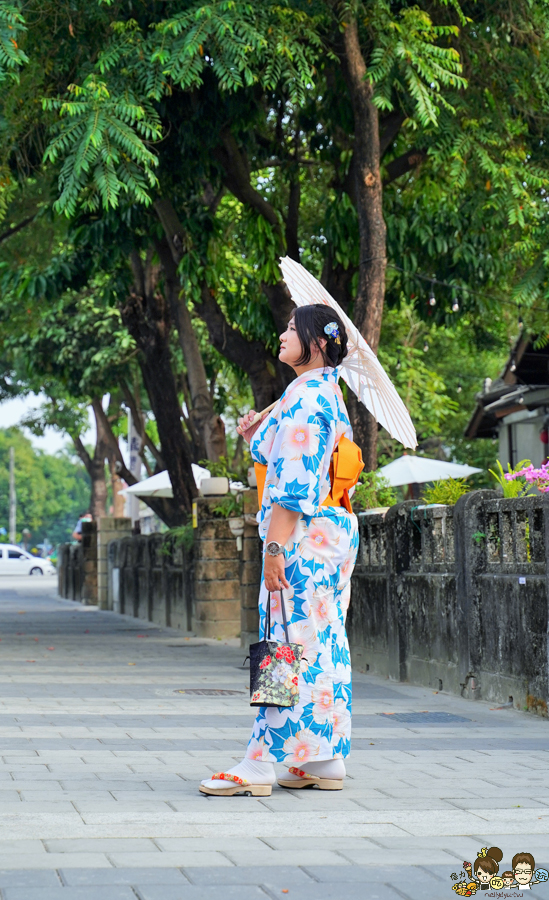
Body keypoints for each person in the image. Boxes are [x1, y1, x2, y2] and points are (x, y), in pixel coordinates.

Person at [199, 304, 362, 797]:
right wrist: (257, 432)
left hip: (300, 537)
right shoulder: (318, 393)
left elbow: (292, 483)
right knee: (321, 641)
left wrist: (274, 545)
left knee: (282, 643)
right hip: (327, 535)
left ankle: (260, 760)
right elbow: (289, 457)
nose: (282, 332)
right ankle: (325, 758)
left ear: (316, 344)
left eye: (294, 328)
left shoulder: (308, 398)